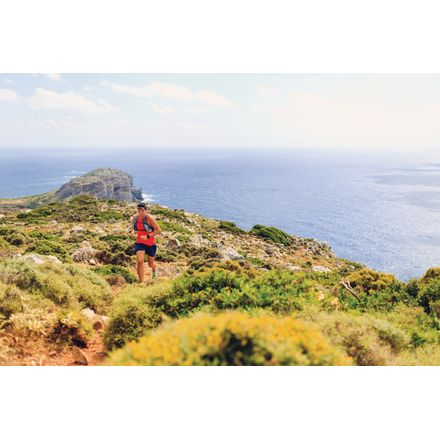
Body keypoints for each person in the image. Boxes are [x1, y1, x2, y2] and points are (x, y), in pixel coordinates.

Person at [131, 202, 161, 282]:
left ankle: (154, 269)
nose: (140, 212)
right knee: (140, 261)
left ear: (146, 210)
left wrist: (147, 236)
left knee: (150, 264)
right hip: (139, 242)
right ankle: (142, 281)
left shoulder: (150, 219)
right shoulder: (135, 218)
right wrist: (133, 233)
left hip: (150, 243)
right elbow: (133, 228)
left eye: (142, 210)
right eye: (139, 210)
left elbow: (158, 231)